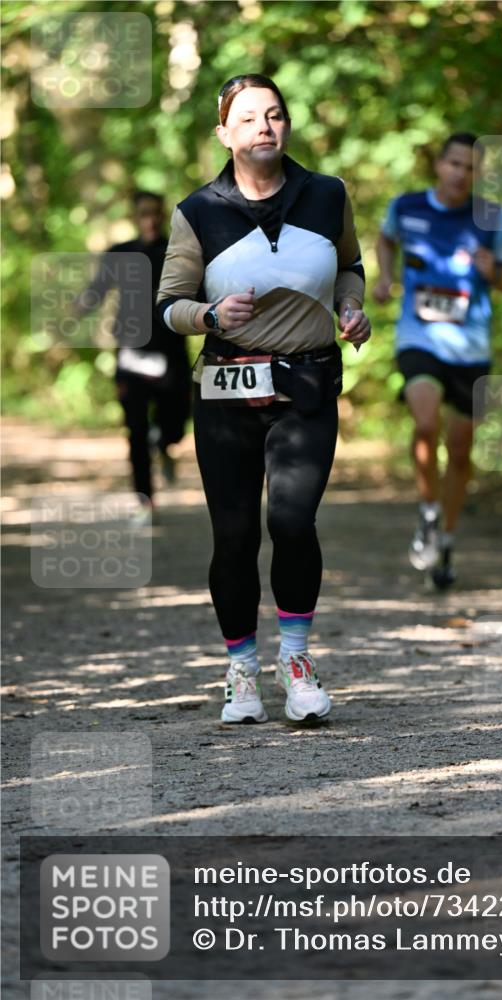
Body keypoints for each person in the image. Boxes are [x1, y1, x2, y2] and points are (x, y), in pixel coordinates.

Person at [156, 74, 370, 724]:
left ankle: (296, 662)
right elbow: (166, 307)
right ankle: (241, 668)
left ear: (287, 125)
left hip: (305, 385)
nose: (264, 126)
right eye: (248, 117)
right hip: (224, 391)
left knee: (292, 522)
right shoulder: (198, 211)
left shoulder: (327, 195)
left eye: (274, 114)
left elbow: (350, 265)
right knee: (234, 535)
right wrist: (211, 316)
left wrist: (351, 307)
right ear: (224, 132)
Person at [374, 133, 502, 589]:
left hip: (471, 348)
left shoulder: (492, 218)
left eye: (471, 167)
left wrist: (494, 269)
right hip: (419, 337)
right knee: (425, 420)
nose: (461, 173)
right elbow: (384, 239)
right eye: (454, 163)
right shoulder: (407, 206)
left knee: (459, 451)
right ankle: (429, 512)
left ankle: (446, 540)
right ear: (439, 165)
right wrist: (385, 277)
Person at [75, 192, 192, 518]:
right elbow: (96, 291)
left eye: (155, 213)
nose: (150, 220)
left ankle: (166, 442)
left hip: (171, 353)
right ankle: (145, 499)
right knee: (136, 429)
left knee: (176, 421)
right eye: (144, 213)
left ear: (162, 214)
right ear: (135, 216)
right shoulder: (120, 253)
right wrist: (76, 308)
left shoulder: (177, 252)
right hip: (131, 352)